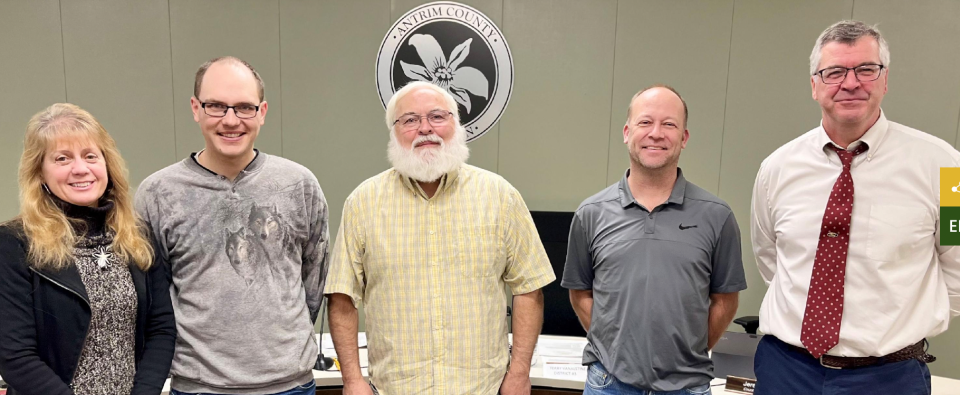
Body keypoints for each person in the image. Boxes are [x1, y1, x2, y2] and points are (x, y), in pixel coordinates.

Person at [751, 20, 959, 394]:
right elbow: (772, 259)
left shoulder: (947, 169)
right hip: (787, 372)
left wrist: (899, 327)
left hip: (889, 377)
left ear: (885, 79)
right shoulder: (776, 168)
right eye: (833, 72)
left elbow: (958, 266)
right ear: (814, 85)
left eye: (866, 69)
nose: (850, 83)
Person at [324, 81, 556, 395]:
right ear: (394, 131)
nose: (425, 129)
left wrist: (519, 373)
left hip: (482, 389)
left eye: (437, 117)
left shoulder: (500, 196)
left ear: (456, 124)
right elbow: (341, 299)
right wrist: (352, 380)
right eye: (410, 120)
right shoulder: (363, 203)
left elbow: (530, 288)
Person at [135, 56, 329, 395]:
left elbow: (314, 280)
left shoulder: (299, 185)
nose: (230, 120)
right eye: (216, 106)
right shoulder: (158, 194)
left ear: (262, 112)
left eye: (244, 107)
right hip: (199, 387)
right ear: (195, 108)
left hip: (290, 387)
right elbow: (153, 296)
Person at [562, 85, 746, 395]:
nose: (656, 133)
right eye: (645, 122)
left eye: (669, 124)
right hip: (608, 384)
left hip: (687, 386)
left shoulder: (717, 215)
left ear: (684, 138)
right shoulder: (590, 213)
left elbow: (724, 301)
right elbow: (580, 293)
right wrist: (615, 348)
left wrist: (686, 353)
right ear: (626, 132)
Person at [0, 103, 176, 395]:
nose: (80, 169)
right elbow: (14, 354)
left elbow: (161, 329)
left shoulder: (137, 236)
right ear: (40, 172)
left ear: (107, 164)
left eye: (90, 156)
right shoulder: (15, 243)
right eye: (62, 158)